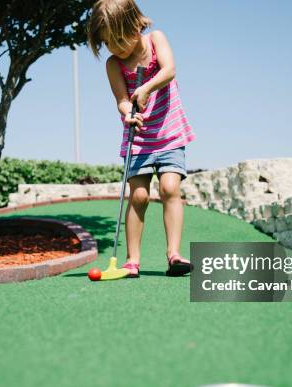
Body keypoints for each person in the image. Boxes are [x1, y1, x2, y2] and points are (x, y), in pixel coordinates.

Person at [87, 0, 196, 278]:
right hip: (139, 137)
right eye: (108, 43)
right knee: (139, 196)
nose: (115, 48)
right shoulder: (114, 64)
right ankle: (131, 261)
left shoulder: (156, 40)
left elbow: (170, 70)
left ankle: (174, 255)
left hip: (169, 131)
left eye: (118, 39)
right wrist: (127, 113)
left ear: (135, 24)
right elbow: (121, 100)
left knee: (170, 188)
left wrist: (146, 87)